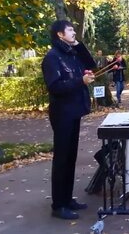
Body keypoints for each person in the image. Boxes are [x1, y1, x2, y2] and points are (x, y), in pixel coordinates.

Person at [41, 20, 96, 220]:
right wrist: (80, 81)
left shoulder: (70, 54)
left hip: (74, 111)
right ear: (60, 34)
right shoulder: (52, 58)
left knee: (71, 157)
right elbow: (55, 87)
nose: (74, 32)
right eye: (70, 30)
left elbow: (91, 65)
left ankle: (67, 199)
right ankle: (58, 205)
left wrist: (78, 46)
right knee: (62, 159)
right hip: (62, 113)